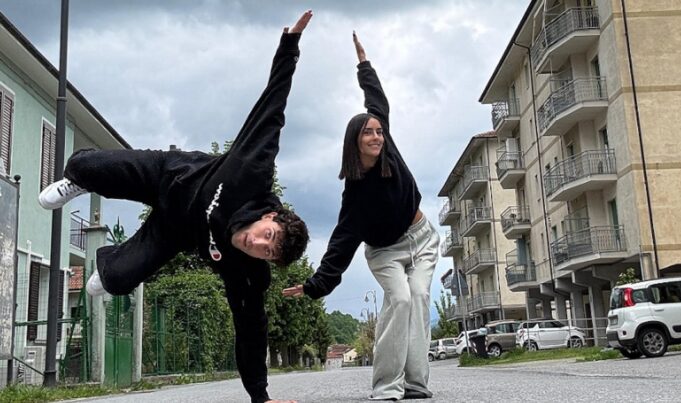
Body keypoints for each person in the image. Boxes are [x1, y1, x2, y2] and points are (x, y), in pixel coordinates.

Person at [38, 10, 314, 403]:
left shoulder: (249, 272)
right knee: (85, 165)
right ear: (268, 217)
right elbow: (272, 112)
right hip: (170, 174)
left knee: (113, 281)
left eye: (267, 252)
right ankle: (79, 181)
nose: (257, 245)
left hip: (174, 232)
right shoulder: (252, 172)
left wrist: (261, 397)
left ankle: (109, 261)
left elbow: (251, 328)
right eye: (266, 236)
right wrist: (289, 47)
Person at [282, 32, 439, 401]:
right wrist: (314, 285)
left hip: (422, 237)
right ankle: (387, 387)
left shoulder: (390, 149)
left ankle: (416, 384)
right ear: (354, 140)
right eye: (368, 132)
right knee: (398, 299)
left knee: (417, 297)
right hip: (384, 252)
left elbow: (376, 99)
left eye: (379, 131)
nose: (377, 136)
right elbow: (341, 244)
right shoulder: (354, 195)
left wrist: (364, 63)